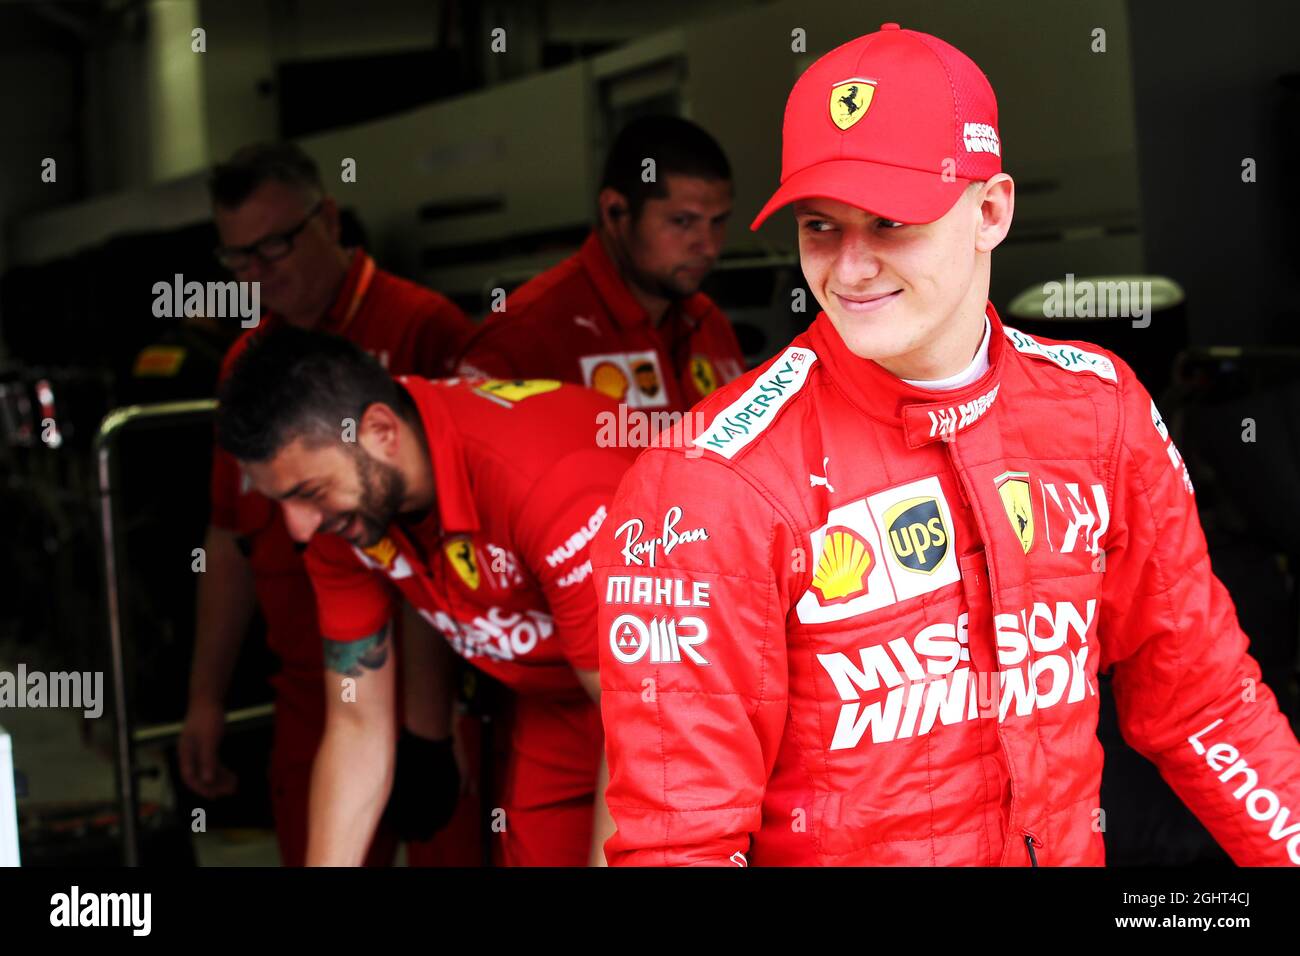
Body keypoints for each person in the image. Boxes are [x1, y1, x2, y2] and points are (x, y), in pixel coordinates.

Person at [590, 23, 1300, 866]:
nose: (850, 269)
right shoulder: (707, 482)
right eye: (821, 226)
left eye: (891, 220)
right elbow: (684, 842)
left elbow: (1202, 700)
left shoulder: (1098, 408)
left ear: (991, 210)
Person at [214, 327, 639, 866]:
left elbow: (644, 721)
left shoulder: (548, 483)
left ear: (380, 432)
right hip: (562, 702)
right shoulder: (343, 519)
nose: (298, 528)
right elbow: (356, 722)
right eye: (281, 501)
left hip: (681, 698)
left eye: (308, 494)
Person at [178, 142, 476, 866]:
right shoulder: (245, 367)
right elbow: (229, 537)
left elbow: (460, 529)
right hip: (313, 691)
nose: (260, 274)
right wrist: (206, 697)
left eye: (275, 246)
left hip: (442, 690)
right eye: (238, 259)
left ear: (329, 218)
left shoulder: (424, 328)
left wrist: (429, 727)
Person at [456, 116, 746, 415]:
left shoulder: (711, 324)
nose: (709, 246)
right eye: (682, 222)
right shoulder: (523, 338)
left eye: (718, 221)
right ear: (614, 211)